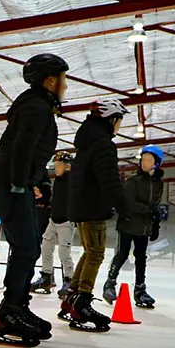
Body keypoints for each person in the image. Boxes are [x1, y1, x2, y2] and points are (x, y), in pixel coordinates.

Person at [0, 53, 68, 348]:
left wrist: (40, 182)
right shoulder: (36, 107)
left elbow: (33, 152)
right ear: (50, 80)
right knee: (26, 248)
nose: (65, 86)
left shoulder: (39, 106)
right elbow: (20, 149)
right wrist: (20, 184)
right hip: (11, 183)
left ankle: (18, 305)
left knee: (29, 246)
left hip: (16, 182)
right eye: (63, 80)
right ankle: (9, 311)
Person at [66, 99, 130, 333]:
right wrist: (124, 208)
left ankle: (71, 297)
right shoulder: (104, 145)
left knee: (89, 251)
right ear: (112, 119)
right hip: (92, 208)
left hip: (81, 207)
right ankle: (82, 302)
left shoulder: (86, 142)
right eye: (120, 120)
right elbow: (110, 180)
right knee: (96, 254)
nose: (120, 126)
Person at [102, 144, 164, 309]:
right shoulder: (133, 180)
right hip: (128, 223)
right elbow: (129, 202)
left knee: (141, 257)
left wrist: (154, 223)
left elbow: (155, 205)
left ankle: (140, 289)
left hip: (143, 226)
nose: (145, 163)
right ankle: (110, 283)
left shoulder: (158, 183)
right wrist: (148, 210)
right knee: (122, 254)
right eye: (143, 159)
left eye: (149, 160)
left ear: (156, 163)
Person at [31, 151, 74, 303]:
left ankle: (69, 280)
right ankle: (46, 276)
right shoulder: (59, 179)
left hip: (66, 222)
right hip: (53, 220)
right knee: (46, 247)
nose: (56, 168)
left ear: (68, 166)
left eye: (59, 165)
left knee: (64, 252)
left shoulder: (72, 180)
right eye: (55, 165)